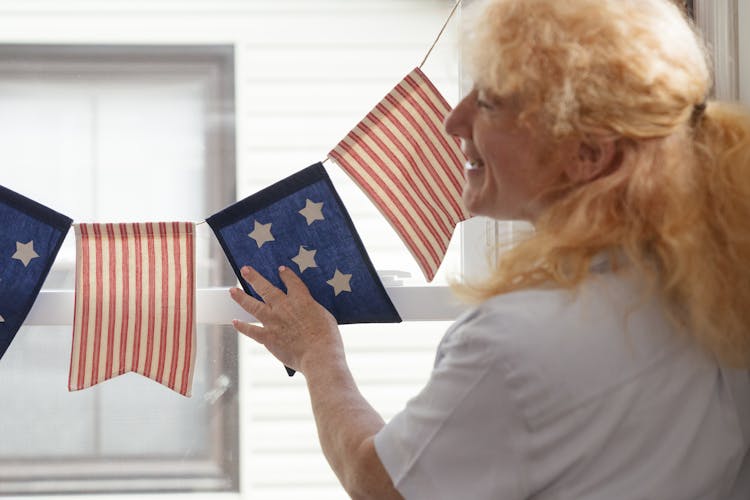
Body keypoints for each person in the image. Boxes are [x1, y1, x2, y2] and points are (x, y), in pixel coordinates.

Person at [230, 0, 750, 497]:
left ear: (587, 154)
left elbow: (378, 484)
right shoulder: (714, 280)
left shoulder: (514, 342)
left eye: (489, 102)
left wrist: (318, 356)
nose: (452, 122)